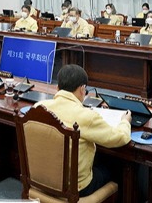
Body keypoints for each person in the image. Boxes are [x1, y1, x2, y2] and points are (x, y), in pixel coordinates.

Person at [36, 65, 131, 197]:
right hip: (76, 187)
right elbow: (120, 138)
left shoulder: (39, 107)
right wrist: (125, 121)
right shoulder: (86, 116)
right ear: (82, 89)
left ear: (57, 87)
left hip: (41, 179)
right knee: (116, 166)